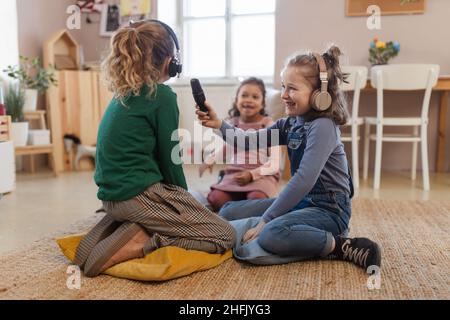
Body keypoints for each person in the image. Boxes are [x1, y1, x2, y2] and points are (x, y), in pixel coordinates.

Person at [196, 45, 381, 270]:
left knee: (272, 233)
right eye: (283, 86)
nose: (283, 94)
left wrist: (266, 220)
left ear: (319, 94)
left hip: (330, 210)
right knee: (227, 212)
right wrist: (219, 124)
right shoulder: (290, 123)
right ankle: (299, 230)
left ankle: (340, 244)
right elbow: (247, 140)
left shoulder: (323, 126)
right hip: (303, 203)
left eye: (291, 88)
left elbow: (304, 179)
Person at [74, 20, 235, 277]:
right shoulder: (162, 96)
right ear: (171, 61)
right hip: (136, 196)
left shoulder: (122, 93)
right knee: (225, 235)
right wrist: (185, 204)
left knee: (196, 212)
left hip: (111, 197)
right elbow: (171, 160)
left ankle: (114, 231)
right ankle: (146, 239)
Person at [199, 77, 280, 212]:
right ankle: (238, 204)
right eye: (244, 95)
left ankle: (240, 206)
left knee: (256, 199)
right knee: (215, 199)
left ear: (262, 103)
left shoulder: (269, 125)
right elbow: (227, 147)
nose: (249, 99)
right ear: (236, 100)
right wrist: (210, 159)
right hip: (235, 174)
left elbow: (274, 165)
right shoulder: (233, 123)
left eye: (255, 97)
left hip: (262, 175)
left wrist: (251, 175)